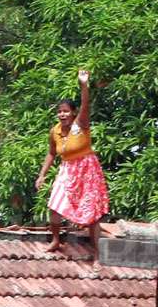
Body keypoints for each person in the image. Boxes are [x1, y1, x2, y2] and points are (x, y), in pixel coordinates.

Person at [35, 70, 109, 264]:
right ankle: (56, 240)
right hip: (67, 170)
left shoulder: (80, 124)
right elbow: (51, 153)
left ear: (73, 112)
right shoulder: (55, 131)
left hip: (87, 170)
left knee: (91, 213)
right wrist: (42, 175)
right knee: (54, 204)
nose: (62, 114)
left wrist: (83, 85)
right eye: (59, 111)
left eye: (66, 111)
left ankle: (98, 255)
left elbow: (86, 104)